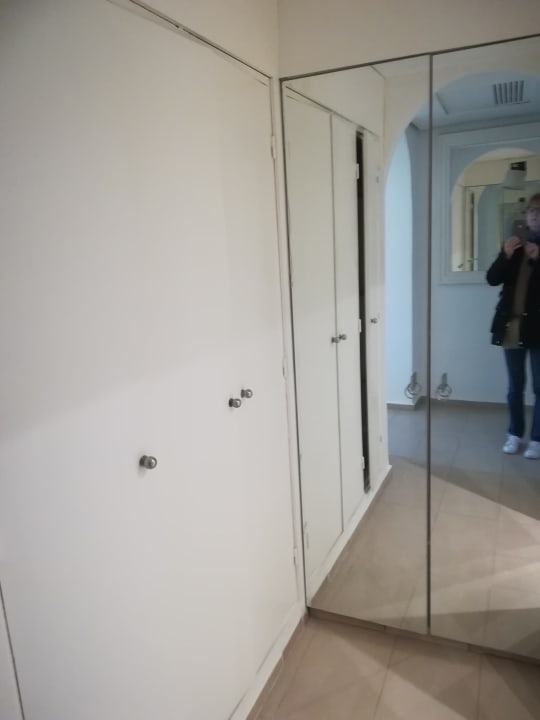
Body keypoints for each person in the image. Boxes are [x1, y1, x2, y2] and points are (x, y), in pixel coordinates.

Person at [487, 192, 540, 459]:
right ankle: (514, 434)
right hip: (512, 326)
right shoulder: (515, 246)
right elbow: (492, 279)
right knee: (514, 386)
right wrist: (505, 254)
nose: (534, 215)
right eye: (531, 211)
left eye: (539, 211)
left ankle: (537, 439)